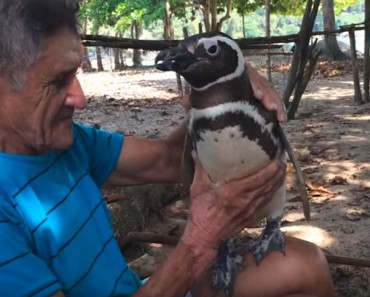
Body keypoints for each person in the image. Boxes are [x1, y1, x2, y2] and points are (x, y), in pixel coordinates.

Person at [0, 1, 336, 297]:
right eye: (58, 81)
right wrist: (200, 240)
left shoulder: (65, 142)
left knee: (308, 266)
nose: (81, 98)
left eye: (75, 75)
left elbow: (168, 158)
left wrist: (229, 79)